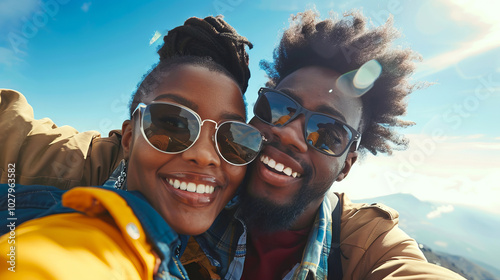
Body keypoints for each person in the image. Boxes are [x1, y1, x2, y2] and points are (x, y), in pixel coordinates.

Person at [193, 10, 467, 279]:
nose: (289, 134)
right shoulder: (198, 177)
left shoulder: (368, 244)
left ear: (346, 166)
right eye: (277, 107)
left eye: (327, 133)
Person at [0, 15, 263, 279]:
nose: (205, 155)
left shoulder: (249, 205)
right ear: (129, 137)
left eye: (231, 136)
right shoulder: (67, 170)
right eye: (172, 122)